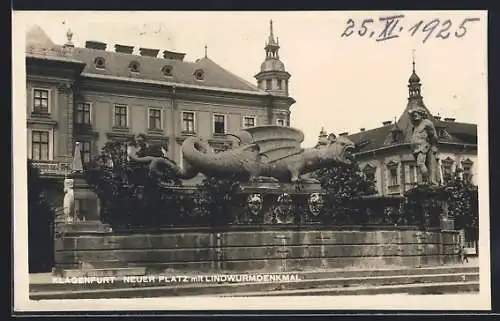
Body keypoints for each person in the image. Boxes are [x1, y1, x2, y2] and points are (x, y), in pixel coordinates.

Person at [408, 106, 440, 185]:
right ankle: (425, 181)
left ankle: (428, 180)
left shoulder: (427, 122)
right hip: (415, 149)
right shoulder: (415, 125)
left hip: (423, 147)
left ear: (421, 114)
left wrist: (434, 146)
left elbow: (433, 135)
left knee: (420, 163)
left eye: (416, 114)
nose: (414, 116)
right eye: (413, 115)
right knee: (421, 165)